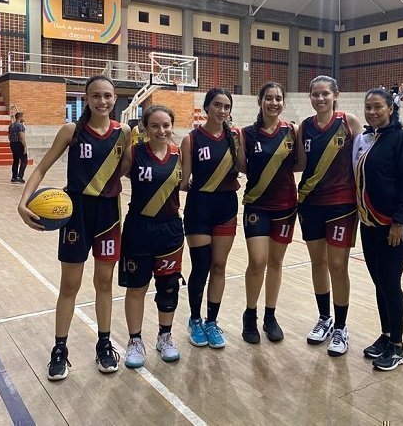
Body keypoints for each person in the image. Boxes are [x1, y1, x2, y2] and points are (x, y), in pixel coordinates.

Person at [17, 74, 131, 380]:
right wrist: (22, 202)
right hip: (76, 214)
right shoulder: (72, 130)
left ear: (114, 99)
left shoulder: (125, 133)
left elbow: (126, 169)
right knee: (69, 285)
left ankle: (104, 344)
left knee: (104, 283)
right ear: (86, 98)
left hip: (108, 214)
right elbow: (41, 167)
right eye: (96, 95)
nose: (103, 101)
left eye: (108, 95)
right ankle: (60, 350)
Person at [296, 75, 362, 357]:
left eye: (325, 94)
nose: (320, 98)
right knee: (318, 264)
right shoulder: (304, 128)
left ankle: (341, 327)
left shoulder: (350, 122)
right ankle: (324, 319)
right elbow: (297, 163)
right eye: (315, 94)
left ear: (336, 94)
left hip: (342, 206)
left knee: (338, 265)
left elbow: (363, 161)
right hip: (310, 204)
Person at [352, 89, 403, 371]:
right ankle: (387, 335)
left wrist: (399, 222)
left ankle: (398, 346)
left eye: (378, 107)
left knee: (391, 284)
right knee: (380, 283)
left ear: (391, 109)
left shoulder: (402, 140)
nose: (372, 112)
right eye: (368, 107)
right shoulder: (368, 140)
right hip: (369, 225)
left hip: (394, 227)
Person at [119, 106, 184, 368]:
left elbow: (190, 182)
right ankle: (135, 340)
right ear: (144, 128)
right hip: (139, 228)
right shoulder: (134, 154)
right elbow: (111, 176)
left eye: (166, 125)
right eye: (155, 126)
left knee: (168, 286)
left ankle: (165, 336)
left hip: (170, 229)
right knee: (137, 287)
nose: (162, 130)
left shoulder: (180, 155)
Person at [235, 82, 298, 344]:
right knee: (258, 261)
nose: (274, 102)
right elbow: (242, 166)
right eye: (269, 98)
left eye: (278, 98)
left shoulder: (292, 131)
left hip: (285, 206)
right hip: (257, 205)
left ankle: (270, 316)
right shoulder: (246, 134)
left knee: (276, 263)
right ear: (259, 101)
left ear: (283, 102)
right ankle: (250, 315)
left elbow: (300, 164)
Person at [181, 87, 240, 349]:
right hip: (199, 207)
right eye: (217, 105)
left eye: (226, 106)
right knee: (201, 266)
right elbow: (183, 181)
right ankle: (195, 319)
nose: (222, 110)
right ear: (207, 107)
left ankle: (212, 321)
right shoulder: (191, 139)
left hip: (226, 206)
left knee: (219, 266)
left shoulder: (236, 138)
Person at [9, 111, 28, 183]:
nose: (24, 118)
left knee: (15, 160)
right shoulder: (20, 125)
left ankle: (14, 177)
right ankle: (20, 177)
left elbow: (9, 136)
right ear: (20, 117)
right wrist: (25, 146)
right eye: (23, 117)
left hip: (12, 143)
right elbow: (21, 137)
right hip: (19, 144)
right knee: (24, 160)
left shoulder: (11, 126)